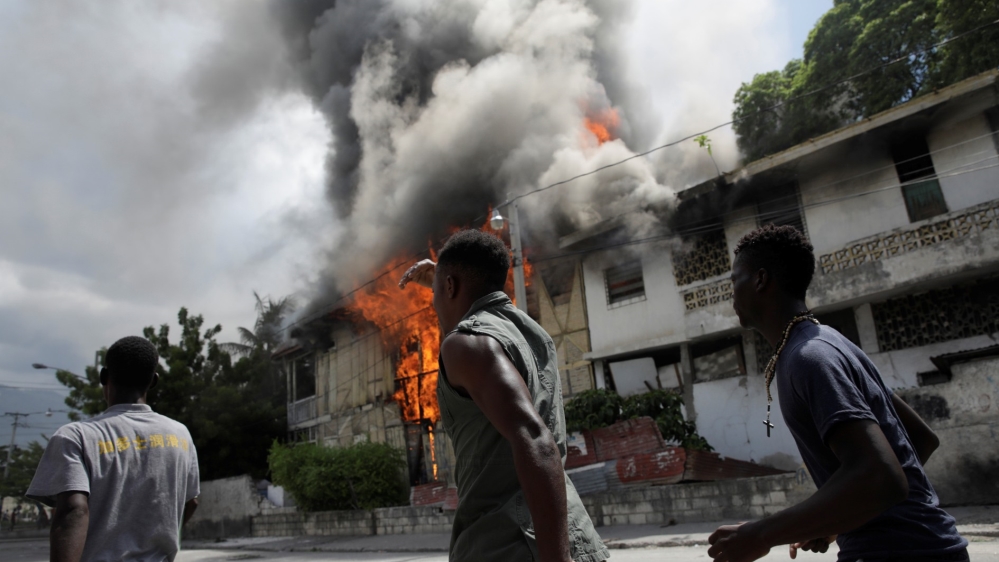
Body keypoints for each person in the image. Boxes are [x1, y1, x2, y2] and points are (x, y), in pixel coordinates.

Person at [708, 224, 968, 562]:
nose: (732, 293)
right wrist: (840, 517)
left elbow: (881, 475)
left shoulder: (809, 358)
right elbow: (918, 438)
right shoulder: (830, 342)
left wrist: (760, 534)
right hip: (928, 547)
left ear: (759, 280)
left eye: (735, 279)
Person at [399, 229, 608, 562]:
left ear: (451, 286)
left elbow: (536, 439)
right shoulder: (529, 331)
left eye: (438, 290)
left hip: (509, 545)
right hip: (572, 535)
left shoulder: (467, 345)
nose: (435, 301)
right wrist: (443, 278)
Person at [27, 336, 200, 562]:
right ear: (153, 381)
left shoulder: (75, 436)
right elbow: (191, 501)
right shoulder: (180, 435)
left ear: (104, 377)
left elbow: (74, 510)